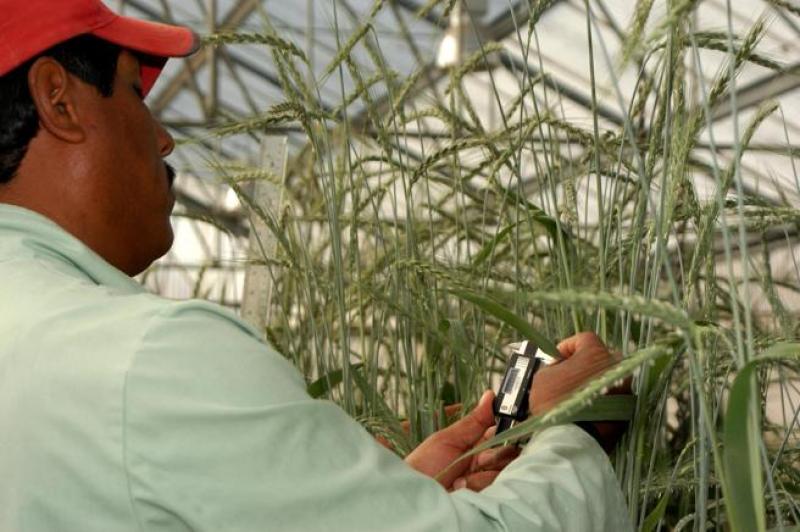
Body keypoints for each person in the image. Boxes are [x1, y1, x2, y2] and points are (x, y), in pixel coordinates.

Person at [0, 1, 633, 530]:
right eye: (136, 93)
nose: (163, 138)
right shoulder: (147, 361)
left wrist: (394, 497)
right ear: (57, 100)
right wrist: (571, 430)